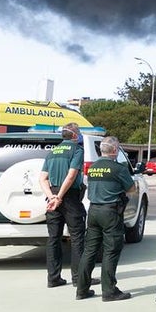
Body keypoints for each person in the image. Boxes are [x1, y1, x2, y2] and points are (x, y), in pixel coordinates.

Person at [77, 135, 136, 301]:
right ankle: (109, 290)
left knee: (89, 251)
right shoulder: (118, 168)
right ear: (115, 150)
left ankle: (82, 289)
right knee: (111, 250)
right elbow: (131, 189)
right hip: (110, 212)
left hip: (94, 211)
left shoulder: (94, 167)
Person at [39, 122, 86, 289]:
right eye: (79, 132)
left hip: (52, 195)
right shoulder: (77, 150)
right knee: (77, 237)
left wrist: (51, 196)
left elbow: (42, 178)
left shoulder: (52, 152)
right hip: (69, 196)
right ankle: (78, 277)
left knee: (53, 239)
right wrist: (59, 197)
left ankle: (53, 278)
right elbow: (72, 175)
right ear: (74, 135)